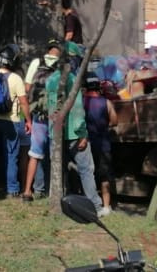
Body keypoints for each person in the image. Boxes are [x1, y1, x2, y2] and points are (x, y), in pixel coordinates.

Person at [30, 42, 104, 213]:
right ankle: (96, 206)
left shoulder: (51, 80)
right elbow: (77, 110)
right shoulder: (73, 80)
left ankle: (62, 203)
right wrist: (83, 134)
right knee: (86, 170)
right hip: (73, 134)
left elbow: (50, 107)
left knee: (58, 170)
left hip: (54, 133)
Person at [21, 39, 62, 200]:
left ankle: (28, 191)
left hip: (38, 115)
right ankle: (55, 192)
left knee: (35, 154)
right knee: (55, 155)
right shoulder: (63, 65)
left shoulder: (37, 62)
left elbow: (27, 87)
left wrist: (29, 113)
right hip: (56, 116)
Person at [0, 44, 32, 198]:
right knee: (12, 155)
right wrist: (28, 120)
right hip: (12, 120)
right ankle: (12, 189)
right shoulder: (16, 78)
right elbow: (23, 102)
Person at [84, 80, 118, 214]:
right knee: (104, 175)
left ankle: (89, 203)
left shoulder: (82, 102)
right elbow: (115, 121)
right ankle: (106, 206)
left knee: (87, 174)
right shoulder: (106, 102)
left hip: (86, 144)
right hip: (103, 144)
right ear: (99, 89)